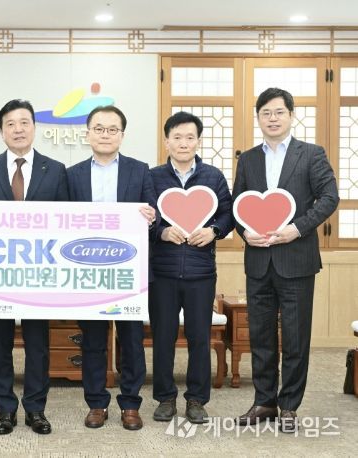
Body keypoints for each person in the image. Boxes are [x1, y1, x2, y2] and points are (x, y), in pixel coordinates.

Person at [234, 87, 339, 433]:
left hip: (297, 260)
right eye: (265, 113)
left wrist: (297, 228)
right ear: (258, 118)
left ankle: (289, 405)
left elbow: (329, 197)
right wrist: (244, 231)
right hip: (258, 261)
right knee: (260, 336)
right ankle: (264, 401)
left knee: (295, 338)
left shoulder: (311, 154)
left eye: (279, 112)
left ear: (291, 115)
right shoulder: (248, 159)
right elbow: (237, 205)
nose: (272, 118)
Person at [0, 99, 69, 436]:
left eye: (24, 122)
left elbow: (67, 220)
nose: (18, 129)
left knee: (38, 345)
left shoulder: (56, 170)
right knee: (0, 344)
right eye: (11, 124)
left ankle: (36, 409)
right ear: (1, 131)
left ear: (34, 128)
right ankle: (5, 410)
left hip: (39, 274)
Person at [66, 105, 157, 431]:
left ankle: (131, 404)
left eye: (112, 129)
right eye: (99, 129)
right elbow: (61, 221)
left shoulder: (140, 170)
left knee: (131, 340)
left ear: (122, 134)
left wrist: (152, 217)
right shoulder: (72, 174)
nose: (105, 135)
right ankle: (96, 403)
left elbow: (155, 215)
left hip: (128, 271)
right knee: (92, 340)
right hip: (87, 272)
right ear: (88, 133)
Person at [149, 111, 234, 424]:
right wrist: (161, 232)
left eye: (189, 137)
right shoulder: (152, 177)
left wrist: (214, 231)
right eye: (177, 137)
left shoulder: (213, 177)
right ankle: (165, 398)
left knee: (200, 338)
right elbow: (144, 216)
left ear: (198, 141)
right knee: (163, 338)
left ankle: (197, 399)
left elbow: (228, 214)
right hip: (163, 272)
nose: (183, 143)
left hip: (201, 273)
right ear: (166, 141)